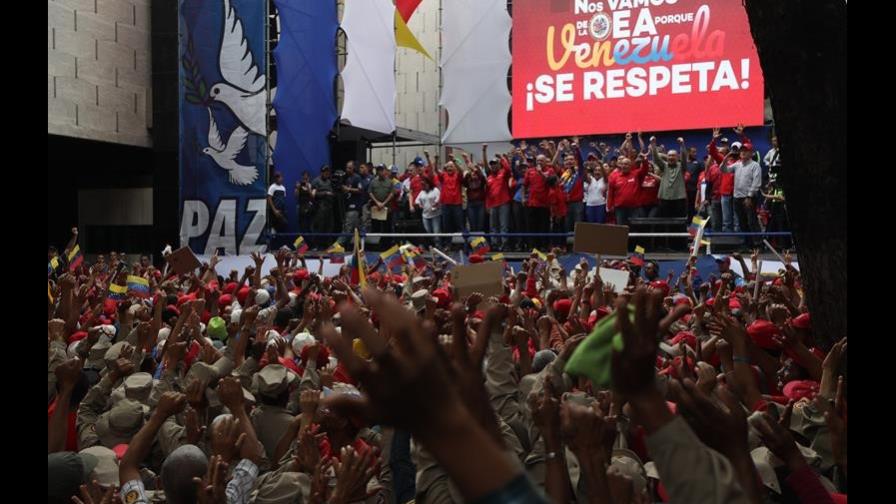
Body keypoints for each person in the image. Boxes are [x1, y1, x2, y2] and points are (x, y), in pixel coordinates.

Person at [725, 141, 763, 247]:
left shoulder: (755, 166)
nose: (743, 153)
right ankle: (748, 244)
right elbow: (724, 170)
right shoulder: (737, 165)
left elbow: (756, 182)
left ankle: (758, 244)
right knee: (742, 222)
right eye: (742, 151)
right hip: (737, 198)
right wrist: (726, 157)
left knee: (752, 221)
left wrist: (749, 196)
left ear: (751, 153)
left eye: (745, 151)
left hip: (748, 198)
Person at [650, 136, 688, 218]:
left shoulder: (681, 167)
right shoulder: (664, 166)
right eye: (669, 156)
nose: (671, 157)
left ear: (677, 157)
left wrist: (682, 145)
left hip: (679, 199)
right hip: (664, 199)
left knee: (679, 222)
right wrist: (653, 145)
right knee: (665, 221)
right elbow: (656, 159)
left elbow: (684, 157)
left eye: (673, 156)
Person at [524, 155, 555, 248]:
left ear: (545, 162)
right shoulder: (530, 171)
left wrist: (540, 172)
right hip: (532, 203)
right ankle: (533, 247)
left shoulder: (550, 170)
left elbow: (550, 182)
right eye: (537, 160)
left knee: (544, 226)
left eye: (541, 160)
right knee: (532, 226)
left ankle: (544, 246)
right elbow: (524, 185)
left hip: (544, 204)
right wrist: (523, 197)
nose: (539, 162)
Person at [606, 156, 646, 226]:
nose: (624, 166)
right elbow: (610, 192)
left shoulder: (636, 174)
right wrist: (610, 206)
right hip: (620, 208)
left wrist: (644, 161)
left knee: (634, 228)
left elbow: (645, 170)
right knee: (621, 228)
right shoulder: (614, 177)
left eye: (626, 164)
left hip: (634, 208)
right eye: (623, 164)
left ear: (630, 166)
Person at [486, 149, 513, 251]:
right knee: (493, 227)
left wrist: (502, 158)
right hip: (492, 204)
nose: (493, 166)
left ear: (498, 165)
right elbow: (487, 193)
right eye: (492, 164)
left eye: (495, 164)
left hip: (503, 203)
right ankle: (495, 245)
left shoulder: (503, 173)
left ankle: (504, 245)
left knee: (503, 226)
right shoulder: (489, 177)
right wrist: (487, 205)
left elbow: (508, 169)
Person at [369, 164, 397, 249]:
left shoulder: (390, 182)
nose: (380, 172)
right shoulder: (373, 181)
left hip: (387, 209)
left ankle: (387, 246)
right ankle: (376, 246)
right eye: (378, 170)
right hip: (376, 208)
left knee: (387, 227)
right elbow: (370, 192)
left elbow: (392, 194)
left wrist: (384, 203)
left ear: (385, 171)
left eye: (382, 170)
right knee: (375, 227)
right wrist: (377, 202)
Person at [339, 162, 367, 246]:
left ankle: (339, 245)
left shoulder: (357, 177)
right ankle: (348, 247)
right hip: (348, 205)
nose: (347, 170)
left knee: (348, 227)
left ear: (353, 168)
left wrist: (348, 189)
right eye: (347, 168)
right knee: (352, 227)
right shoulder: (347, 179)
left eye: (349, 168)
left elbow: (360, 190)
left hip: (354, 207)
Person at [464, 146, 489, 234]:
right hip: (471, 204)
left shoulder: (481, 180)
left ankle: (481, 245)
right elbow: (463, 180)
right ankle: (474, 244)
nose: (474, 173)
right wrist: (467, 162)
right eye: (472, 172)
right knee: (472, 225)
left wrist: (476, 169)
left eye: (475, 172)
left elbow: (481, 175)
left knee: (480, 225)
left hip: (480, 203)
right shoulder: (467, 179)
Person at [311, 165, 337, 248]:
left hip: (329, 208)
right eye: (325, 171)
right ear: (321, 172)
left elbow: (333, 192)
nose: (326, 173)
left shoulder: (329, 182)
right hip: (320, 208)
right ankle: (316, 246)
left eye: (327, 171)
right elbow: (313, 195)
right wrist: (325, 193)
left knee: (329, 227)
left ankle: (328, 246)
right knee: (319, 227)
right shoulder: (316, 181)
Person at [414, 177, 442, 248]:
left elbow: (439, 198)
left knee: (436, 231)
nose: (423, 186)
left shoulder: (435, 190)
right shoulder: (422, 192)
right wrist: (419, 204)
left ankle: (438, 245)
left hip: (435, 214)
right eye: (422, 185)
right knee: (427, 232)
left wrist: (436, 203)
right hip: (425, 215)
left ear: (428, 184)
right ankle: (429, 246)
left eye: (424, 185)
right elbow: (416, 201)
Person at [583, 159, 608, 223]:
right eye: (596, 170)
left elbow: (605, 175)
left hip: (601, 205)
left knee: (600, 224)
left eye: (599, 170)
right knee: (591, 224)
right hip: (590, 205)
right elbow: (584, 176)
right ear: (593, 172)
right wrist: (585, 167)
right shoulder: (590, 179)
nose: (597, 172)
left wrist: (601, 165)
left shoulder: (604, 180)